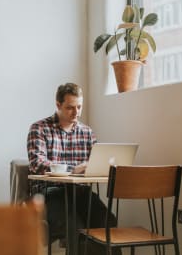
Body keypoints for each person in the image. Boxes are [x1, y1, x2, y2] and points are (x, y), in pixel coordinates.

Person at [27, 83, 121, 255]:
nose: (76, 112)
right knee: (74, 226)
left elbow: (97, 162)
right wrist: (74, 169)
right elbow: (37, 164)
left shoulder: (87, 132)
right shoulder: (39, 129)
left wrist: (104, 167)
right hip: (49, 194)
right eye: (70, 107)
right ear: (58, 105)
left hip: (80, 193)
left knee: (108, 221)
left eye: (79, 107)